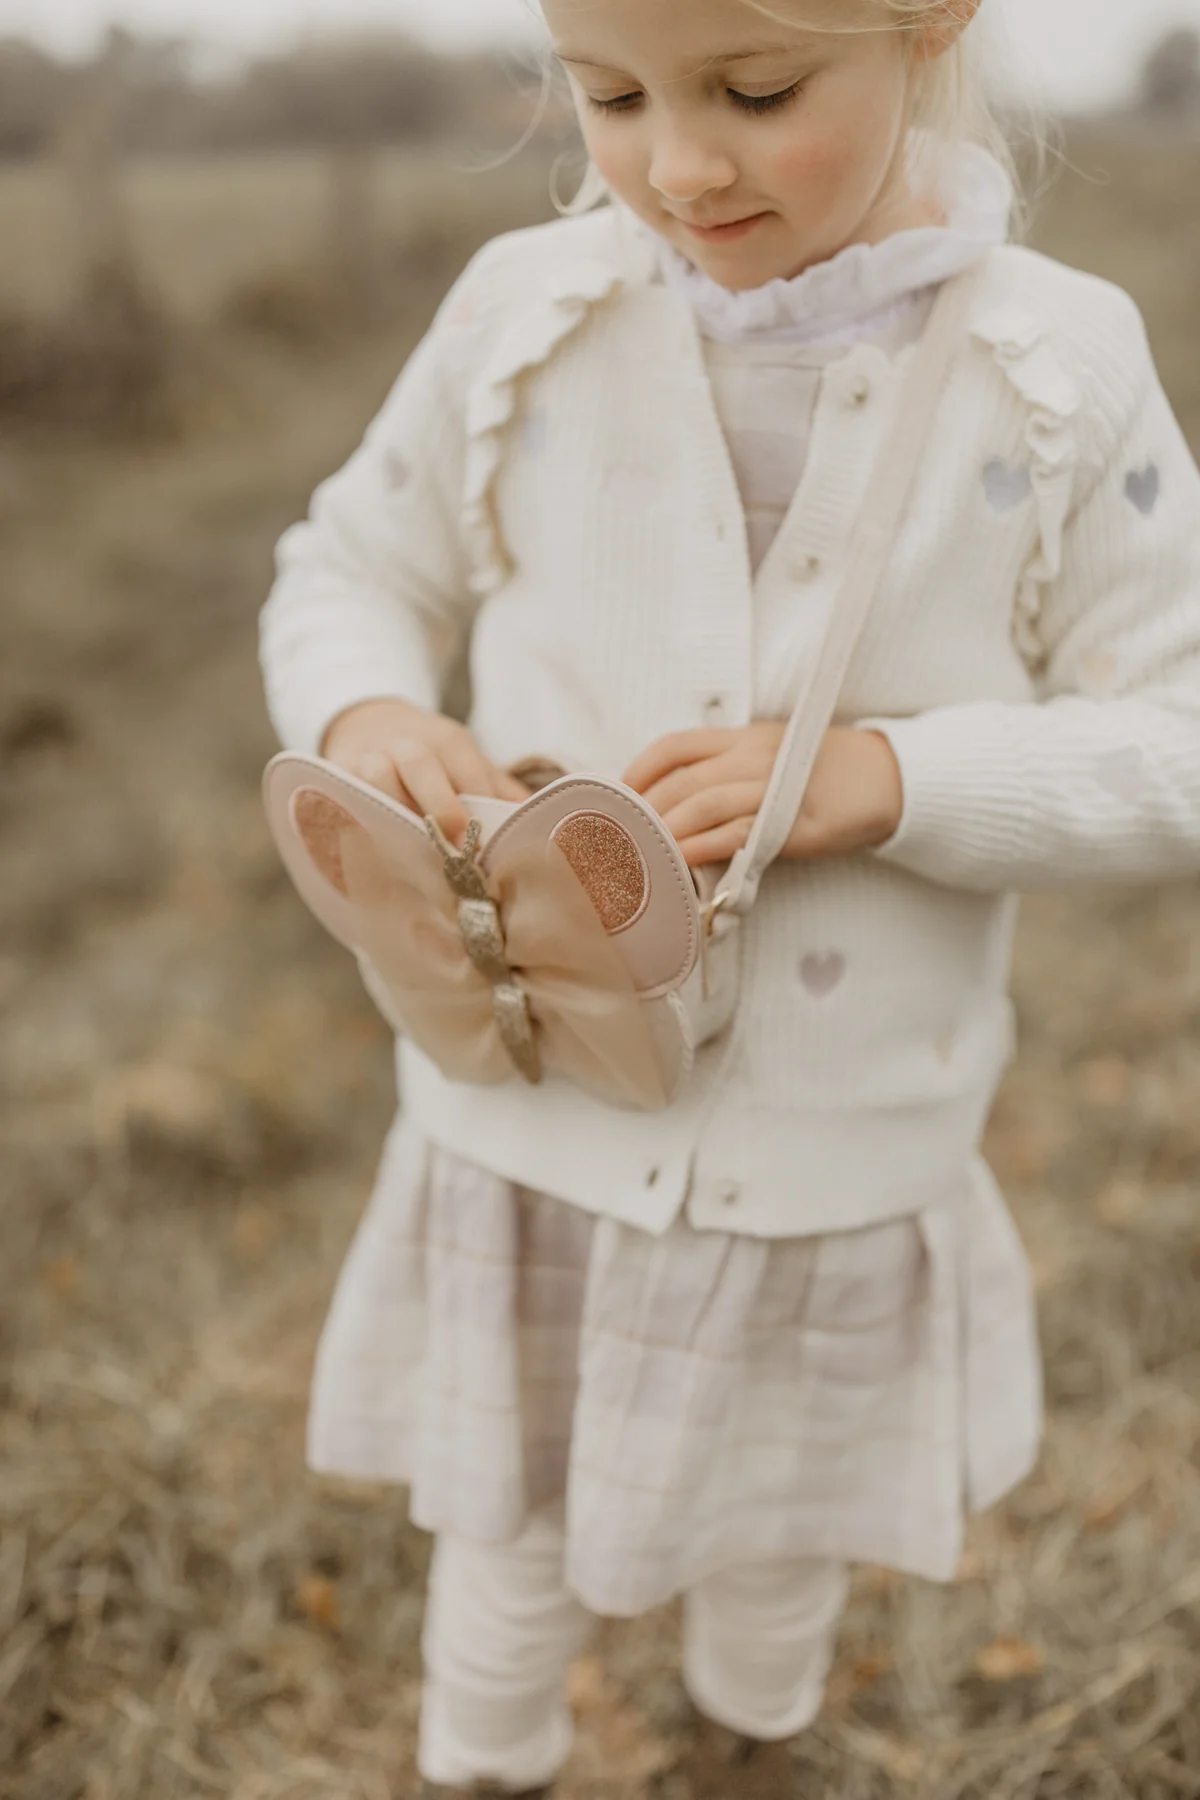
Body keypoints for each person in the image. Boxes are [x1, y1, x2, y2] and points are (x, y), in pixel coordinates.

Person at [259, 0, 1200, 1793]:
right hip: (523, 1115)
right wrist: (371, 704)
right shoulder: (527, 310)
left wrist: (894, 779)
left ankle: (744, 1752)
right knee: (505, 1540)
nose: (679, 164)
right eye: (608, 95)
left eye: (755, 93)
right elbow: (347, 564)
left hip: (825, 1155)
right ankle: (487, 1767)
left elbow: (1184, 730)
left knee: (776, 1547)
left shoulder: (1053, 362)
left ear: (928, 30)